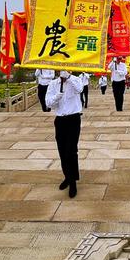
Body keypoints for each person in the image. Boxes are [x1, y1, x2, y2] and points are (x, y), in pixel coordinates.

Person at [46, 70, 84, 198]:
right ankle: (67, 177)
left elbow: (80, 89)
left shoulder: (76, 80)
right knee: (62, 151)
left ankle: (73, 182)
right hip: (60, 120)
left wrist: (68, 77)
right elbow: (48, 103)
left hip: (73, 119)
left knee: (71, 151)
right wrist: (58, 95)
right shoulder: (53, 84)